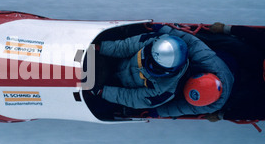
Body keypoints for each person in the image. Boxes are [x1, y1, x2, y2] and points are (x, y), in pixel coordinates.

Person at [91, 25, 234, 118]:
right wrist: (100, 47)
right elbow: (126, 46)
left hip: (121, 83)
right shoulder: (158, 41)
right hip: (121, 63)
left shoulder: (164, 92)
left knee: (102, 107)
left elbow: (131, 97)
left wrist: (102, 92)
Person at [203, 23, 265, 121]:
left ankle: (199, 101)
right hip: (259, 59)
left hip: (260, 88)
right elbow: (259, 37)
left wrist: (223, 115)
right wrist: (226, 29)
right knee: (234, 44)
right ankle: (194, 38)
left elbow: (256, 112)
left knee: (233, 98)